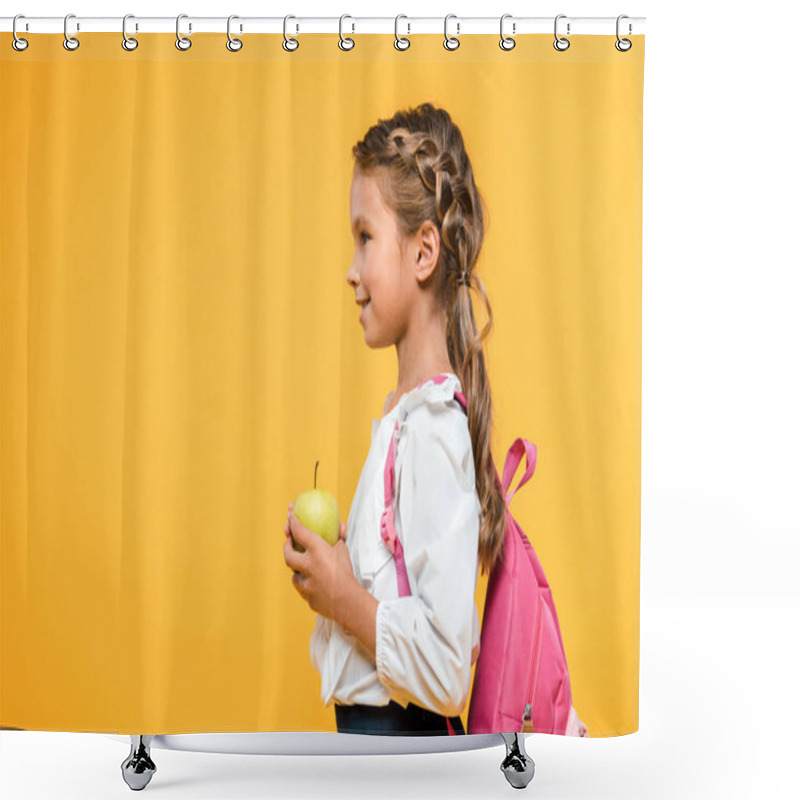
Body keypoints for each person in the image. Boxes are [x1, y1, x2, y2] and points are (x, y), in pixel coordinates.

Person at [283, 102, 508, 736]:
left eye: (365, 237)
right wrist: (336, 575)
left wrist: (344, 600)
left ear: (423, 252)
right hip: (374, 748)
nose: (350, 272)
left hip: (400, 754)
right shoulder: (406, 418)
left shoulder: (433, 430)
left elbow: (443, 672)